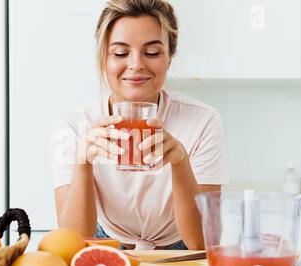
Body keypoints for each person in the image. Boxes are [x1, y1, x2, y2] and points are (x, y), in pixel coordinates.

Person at [52, 0, 229, 250]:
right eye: (121, 53)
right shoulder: (73, 126)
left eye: (153, 52)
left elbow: (202, 242)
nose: (136, 65)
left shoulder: (203, 120)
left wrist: (180, 162)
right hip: (106, 242)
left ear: (169, 58)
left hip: (179, 247)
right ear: (104, 60)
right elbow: (72, 241)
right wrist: (83, 163)